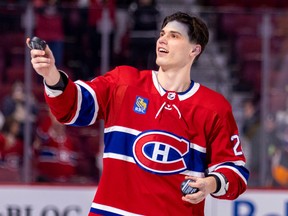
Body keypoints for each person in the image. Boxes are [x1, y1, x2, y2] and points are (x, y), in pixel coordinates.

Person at [27, 11, 249, 216]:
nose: (162, 40)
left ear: (194, 49)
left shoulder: (214, 107)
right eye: (162, 34)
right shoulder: (124, 82)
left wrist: (210, 183)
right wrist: (52, 75)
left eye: (174, 36)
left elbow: (235, 172)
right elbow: (73, 107)